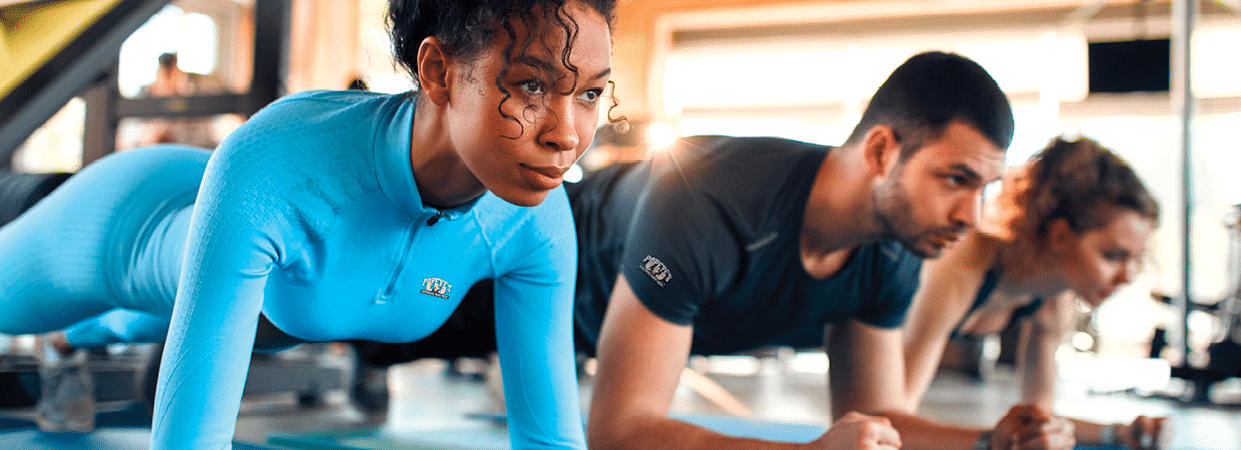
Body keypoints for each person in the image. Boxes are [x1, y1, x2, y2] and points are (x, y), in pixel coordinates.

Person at [0, 1, 615, 449]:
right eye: (532, 85)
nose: (566, 136)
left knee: (231, 312)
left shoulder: (535, 221)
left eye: (590, 95)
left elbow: (551, 438)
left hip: (262, 283)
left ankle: (66, 345)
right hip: (128, 220)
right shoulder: (281, 169)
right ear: (438, 72)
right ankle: (60, 335)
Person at [570, 50, 1064, 450]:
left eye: (985, 188)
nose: (972, 216)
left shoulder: (896, 252)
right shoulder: (706, 199)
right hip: (510, 274)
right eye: (956, 179)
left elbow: (878, 417)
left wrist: (993, 441)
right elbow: (619, 432)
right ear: (880, 152)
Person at [902, 137, 1168, 449]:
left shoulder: (1054, 298)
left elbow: (1040, 420)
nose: (1127, 276)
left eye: (1136, 259)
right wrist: (990, 443)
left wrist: (1119, 433)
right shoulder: (962, 268)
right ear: (1059, 236)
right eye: (1112, 256)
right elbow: (890, 418)